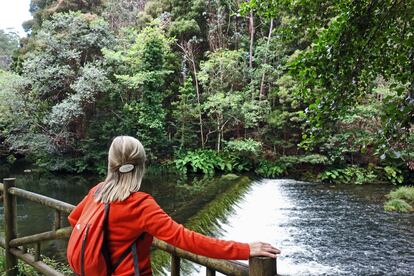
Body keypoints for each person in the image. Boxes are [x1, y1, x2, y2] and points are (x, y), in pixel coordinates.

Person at [68, 136, 280, 276]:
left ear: (110, 163)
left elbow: (75, 219)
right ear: (141, 166)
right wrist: (245, 249)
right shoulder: (141, 205)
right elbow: (186, 239)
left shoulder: (97, 192)